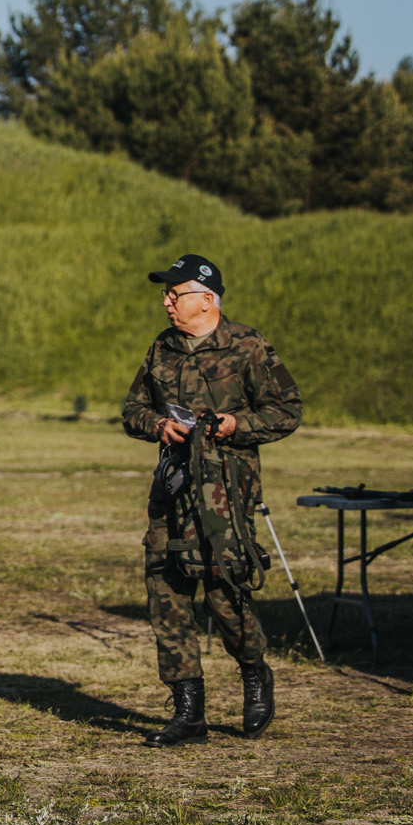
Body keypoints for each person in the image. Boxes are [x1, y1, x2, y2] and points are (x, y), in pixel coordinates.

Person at [121, 254, 301, 747]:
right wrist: (157, 424)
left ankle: (254, 671)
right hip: (171, 490)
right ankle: (188, 712)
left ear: (206, 298)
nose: (166, 302)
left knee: (224, 593)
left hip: (225, 492)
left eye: (174, 294)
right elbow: (132, 408)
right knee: (167, 592)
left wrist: (235, 425)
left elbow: (287, 410)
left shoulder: (248, 346)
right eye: (166, 294)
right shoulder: (162, 348)